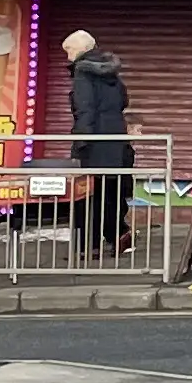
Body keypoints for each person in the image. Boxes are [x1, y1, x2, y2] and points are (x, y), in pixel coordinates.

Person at [62, 29, 134, 255]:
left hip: (94, 143)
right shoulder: (111, 73)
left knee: (87, 194)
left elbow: (86, 109)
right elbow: (123, 100)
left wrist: (80, 143)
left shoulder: (83, 74)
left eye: (69, 50)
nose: (67, 56)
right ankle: (118, 235)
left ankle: (88, 245)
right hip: (116, 140)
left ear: (82, 50)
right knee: (112, 190)